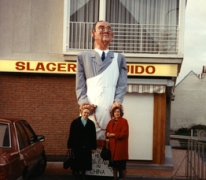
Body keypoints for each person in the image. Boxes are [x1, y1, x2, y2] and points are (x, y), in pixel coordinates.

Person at [76, 20, 127, 140]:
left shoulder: (119, 58)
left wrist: (117, 102)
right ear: (93, 33)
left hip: (110, 109)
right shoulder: (83, 57)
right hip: (90, 109)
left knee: (109, 146)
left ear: (112, 35)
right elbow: (80, 85)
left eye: (109, 29)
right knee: (87, 143)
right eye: (101, 28)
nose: (106, 31)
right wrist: (84, 103)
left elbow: (122, 85)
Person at [67, 106, 97, 180]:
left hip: (86, 146)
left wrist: (93, 147)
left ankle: (83, 173)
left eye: (87, 113)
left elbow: (93, 136)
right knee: (77, 160)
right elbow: (71, 134)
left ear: (89, 114)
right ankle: (76, 173)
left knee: (85, 160)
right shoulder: (75, 122)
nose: (86, 114)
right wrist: (70, 145)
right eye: (85, 112)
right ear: (81, 113)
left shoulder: (91, 124)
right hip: (77, 145)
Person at [106, 106, 129, 180]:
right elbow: (107, 131)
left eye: (118, 112)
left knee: (122, 167)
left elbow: (124, 133)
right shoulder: (110, 122)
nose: (117, 113)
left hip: (120, 148)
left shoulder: (124, 121)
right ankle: (115, 178)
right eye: (115, 112)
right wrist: (107, 134)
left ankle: (124, 178)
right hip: (112, 147)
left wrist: (114, 134)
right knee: (114, 166)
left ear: (121, 113)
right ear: (113, 113)